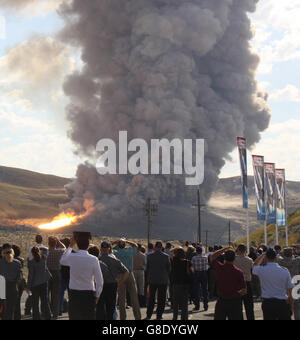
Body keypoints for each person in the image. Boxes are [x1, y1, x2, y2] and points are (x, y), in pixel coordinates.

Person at [60, 232, 103, 320]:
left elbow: (62, 260)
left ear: (77, 245)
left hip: (74, 294)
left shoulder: (72, 257)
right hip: (88, 294)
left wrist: (70, 246)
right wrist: (97, 296)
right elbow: (99, 281)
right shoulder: (93, 259)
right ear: (88, 246)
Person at [253, 248, 294, 320]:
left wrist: (262, 255)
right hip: (281, 303)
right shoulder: (284, 270)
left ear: (266, 258)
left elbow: (254, 265)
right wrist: (291, 307)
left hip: (268, 303)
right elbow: (290, 290)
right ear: (276, 258)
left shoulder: (261, 270)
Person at [92, 242, 129, 320]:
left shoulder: (97, 260)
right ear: (109, 249)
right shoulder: (115, 260)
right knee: (111, 309)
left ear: (101, 249)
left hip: (100, 285)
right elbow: (126, 272)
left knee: (100, 308)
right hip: (112, 285)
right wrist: (119, 283)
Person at [210, 246, 247, 320]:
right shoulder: (239, 272)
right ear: (234, 258)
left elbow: (212, 257)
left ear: (224, 258)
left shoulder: (219, 268)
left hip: (222, 300)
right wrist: (236, 294)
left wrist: (224, 249)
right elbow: (244, 290)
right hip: (235, 301)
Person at [112, 238, 141, 320]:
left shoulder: (116, 252)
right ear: (125, 245)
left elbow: (109, 247)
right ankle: (137, 317)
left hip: (120, 275)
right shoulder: (129, 251)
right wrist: (127, 241)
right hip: (130, 274)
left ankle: (123, 318)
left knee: (121, 298)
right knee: (134, 297)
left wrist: (116, 241)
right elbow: (136, 246)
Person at [145, 241, 171, 320]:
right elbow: (169, 269)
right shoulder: (166, 256)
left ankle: (149, 315)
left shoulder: (149, 256)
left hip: (152, 280)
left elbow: (147, 268)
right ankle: (159, 316)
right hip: (163, 280)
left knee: (151, 298)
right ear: (161, 247)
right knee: (161, 299)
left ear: (155, 247)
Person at [27, 246, 52, 320]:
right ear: (39, 251)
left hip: (35, 284)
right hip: (44, 282)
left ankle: (36, 317)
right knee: (45, 300)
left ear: (32, 253)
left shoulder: (31, 262)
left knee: (35, 302)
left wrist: (28, 285)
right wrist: (40, 247)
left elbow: (31, 275)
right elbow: (47, 249)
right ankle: (48, 315)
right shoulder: (43, 258)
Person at [0, 244, 23, 320]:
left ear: (2, 252)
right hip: (13, 288)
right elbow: (19, 278)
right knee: (10, 311)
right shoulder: (17, 263)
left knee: (2, 310)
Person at [47, 236, 66, 319]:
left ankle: (46, 313)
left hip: (47, 274)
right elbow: (64, 248)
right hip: (56, 274)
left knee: (46, 295)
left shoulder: (45, 252)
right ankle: (55, 314)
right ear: (55, 244)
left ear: (48, 244)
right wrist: (59, 241)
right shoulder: (59, 252)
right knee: (56, 295)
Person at [234, 244, 255, 320]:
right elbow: (252, 269)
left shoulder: (234, 259)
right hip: (247, 283)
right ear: (245, 251)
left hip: (237, 284)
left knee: (238, 307)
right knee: (249, 307)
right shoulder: (249, 260)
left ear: (238, 250)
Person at [171, 247, 193, 320]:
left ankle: (175, 317)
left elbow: (170, 252)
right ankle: (184, 317)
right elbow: (192, 272)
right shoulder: (188, 262)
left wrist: (178, 247)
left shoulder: (174, 260)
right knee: (184, 304)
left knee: (175, 303)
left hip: (176, 284)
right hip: (185, 284)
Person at [191, 246, 209, 311]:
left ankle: (197, 306)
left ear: (196, 251)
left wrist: (193, 273)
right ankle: (206, 306)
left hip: (197, 273)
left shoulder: (194, 258)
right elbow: (208, 265)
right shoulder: (205, 257)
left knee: (197, 290)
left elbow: (192, 266)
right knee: (205, 290)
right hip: (204, 273)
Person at [12, 244, 26, 320]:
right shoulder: (21, 260)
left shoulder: (10, 260)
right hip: (20, 281)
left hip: (13, 282)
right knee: (18, 301)